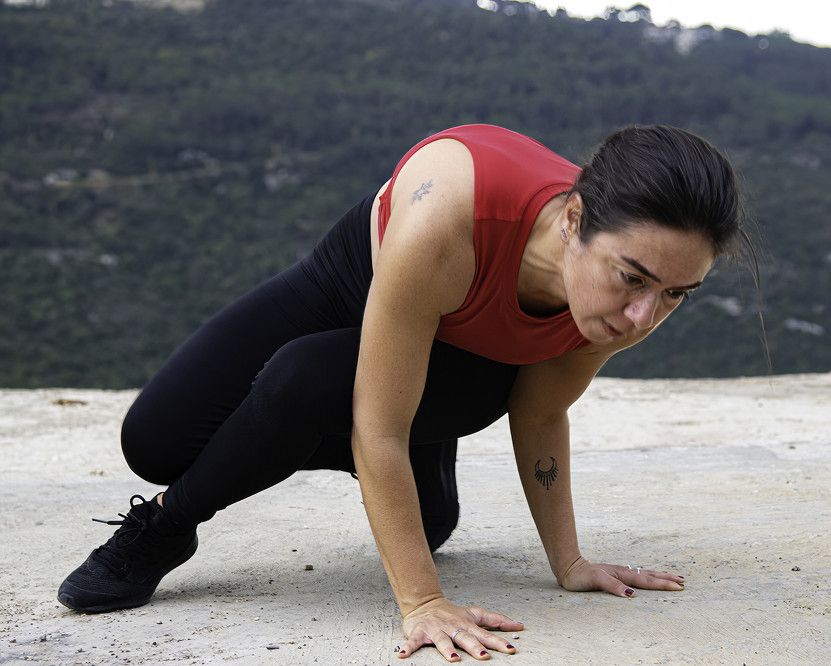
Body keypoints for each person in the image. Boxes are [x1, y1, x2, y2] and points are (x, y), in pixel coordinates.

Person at [57, 122, 751, 662]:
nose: (643, 317)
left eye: (677, 294)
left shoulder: (621, 298)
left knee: (302, 380)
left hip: (472, 363)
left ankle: (165, 526)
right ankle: (404, 440)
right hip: (359, 275)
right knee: (155, 441)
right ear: (573, 220)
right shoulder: (448, 225)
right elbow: (379, 428)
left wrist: (568, 562)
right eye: (633, 279)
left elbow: (540, 411)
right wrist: (422, 601)